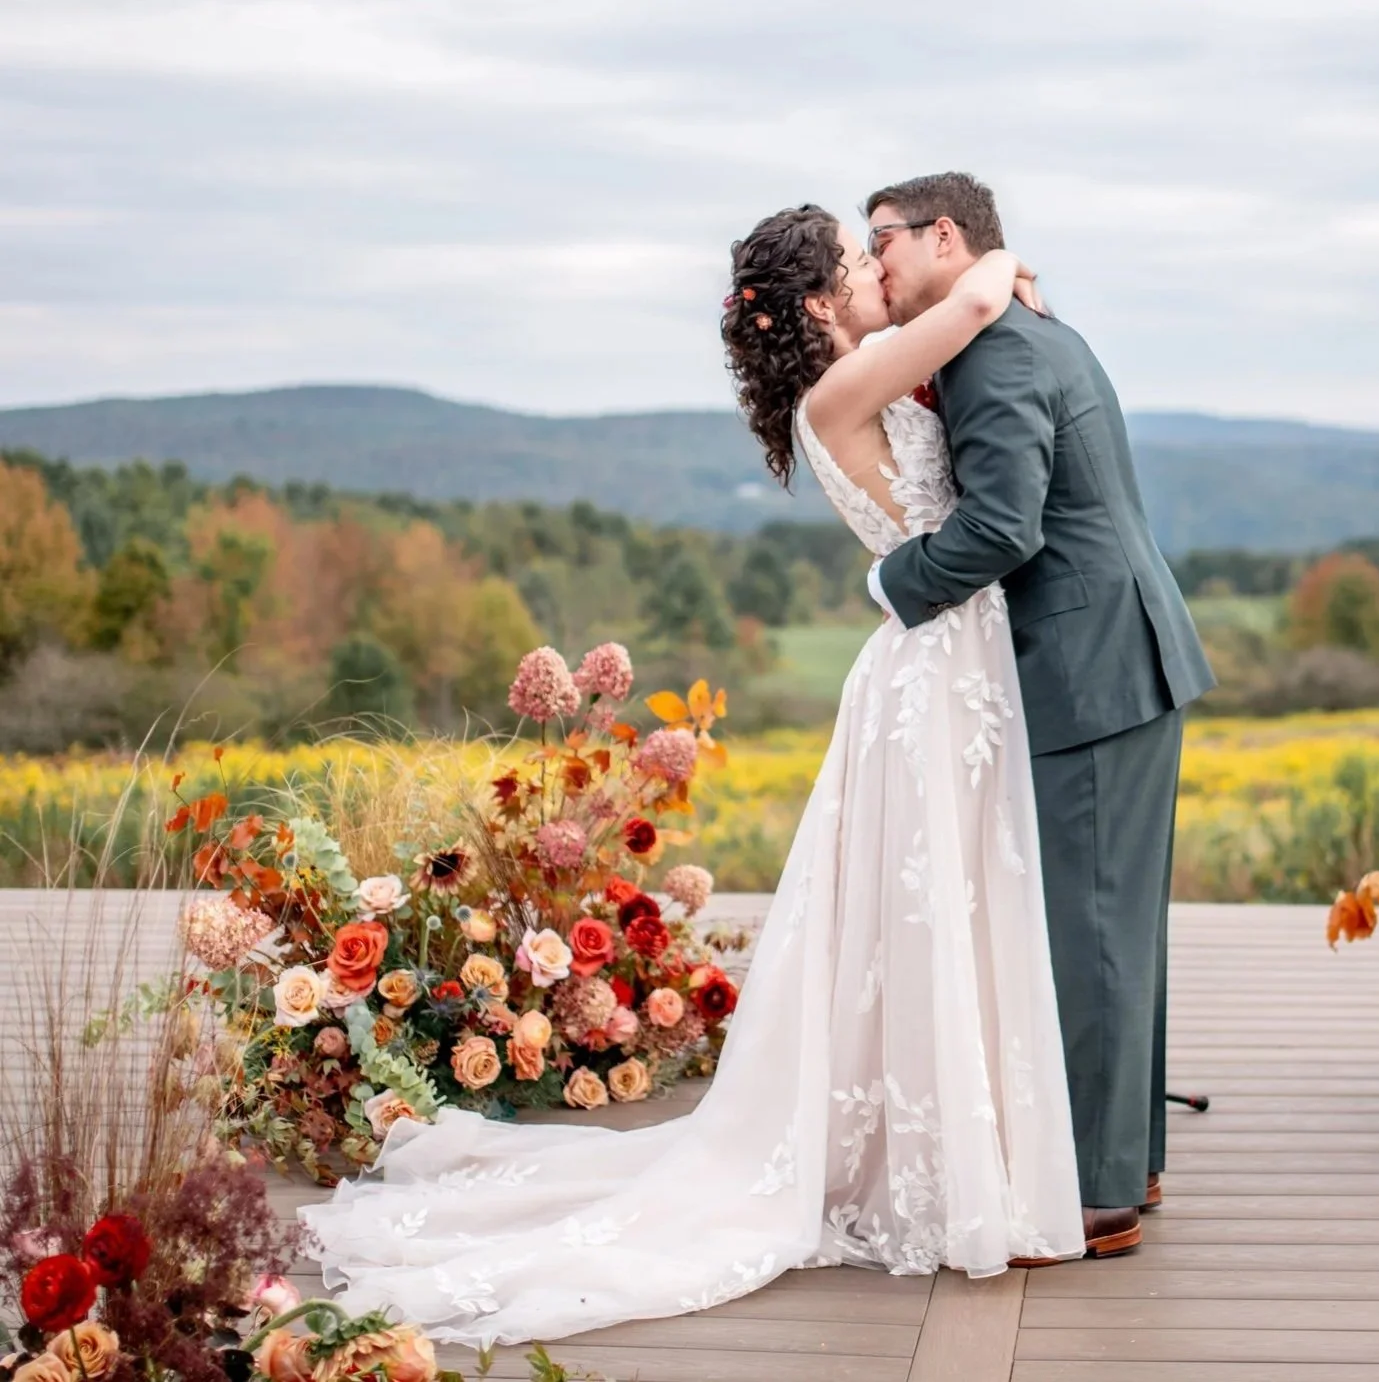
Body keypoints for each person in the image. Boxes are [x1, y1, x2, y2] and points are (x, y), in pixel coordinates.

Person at [300, 200, 1088, 1346]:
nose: (879, 273)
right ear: (822, 307)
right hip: (937, 670)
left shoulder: (850, 384)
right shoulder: (846, 385)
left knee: (938, 910)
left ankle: (955, 1149)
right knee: (933, 908)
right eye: (860, 263)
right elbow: (972, 297)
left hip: (944, 664)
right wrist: (1002, 256)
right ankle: (943, 1167)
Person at [863, 173, 1215, 1259]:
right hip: (1125, 651)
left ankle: (1100, 1195)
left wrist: (892, 586)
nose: (875, 263)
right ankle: (1131, 1159)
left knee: (1091, 929)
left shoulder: (996, 354)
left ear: (945, 236)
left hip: (1091, 665)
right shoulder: (1022, 328)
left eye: (884, 241)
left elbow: (1005, 529)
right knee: (1115, 924)